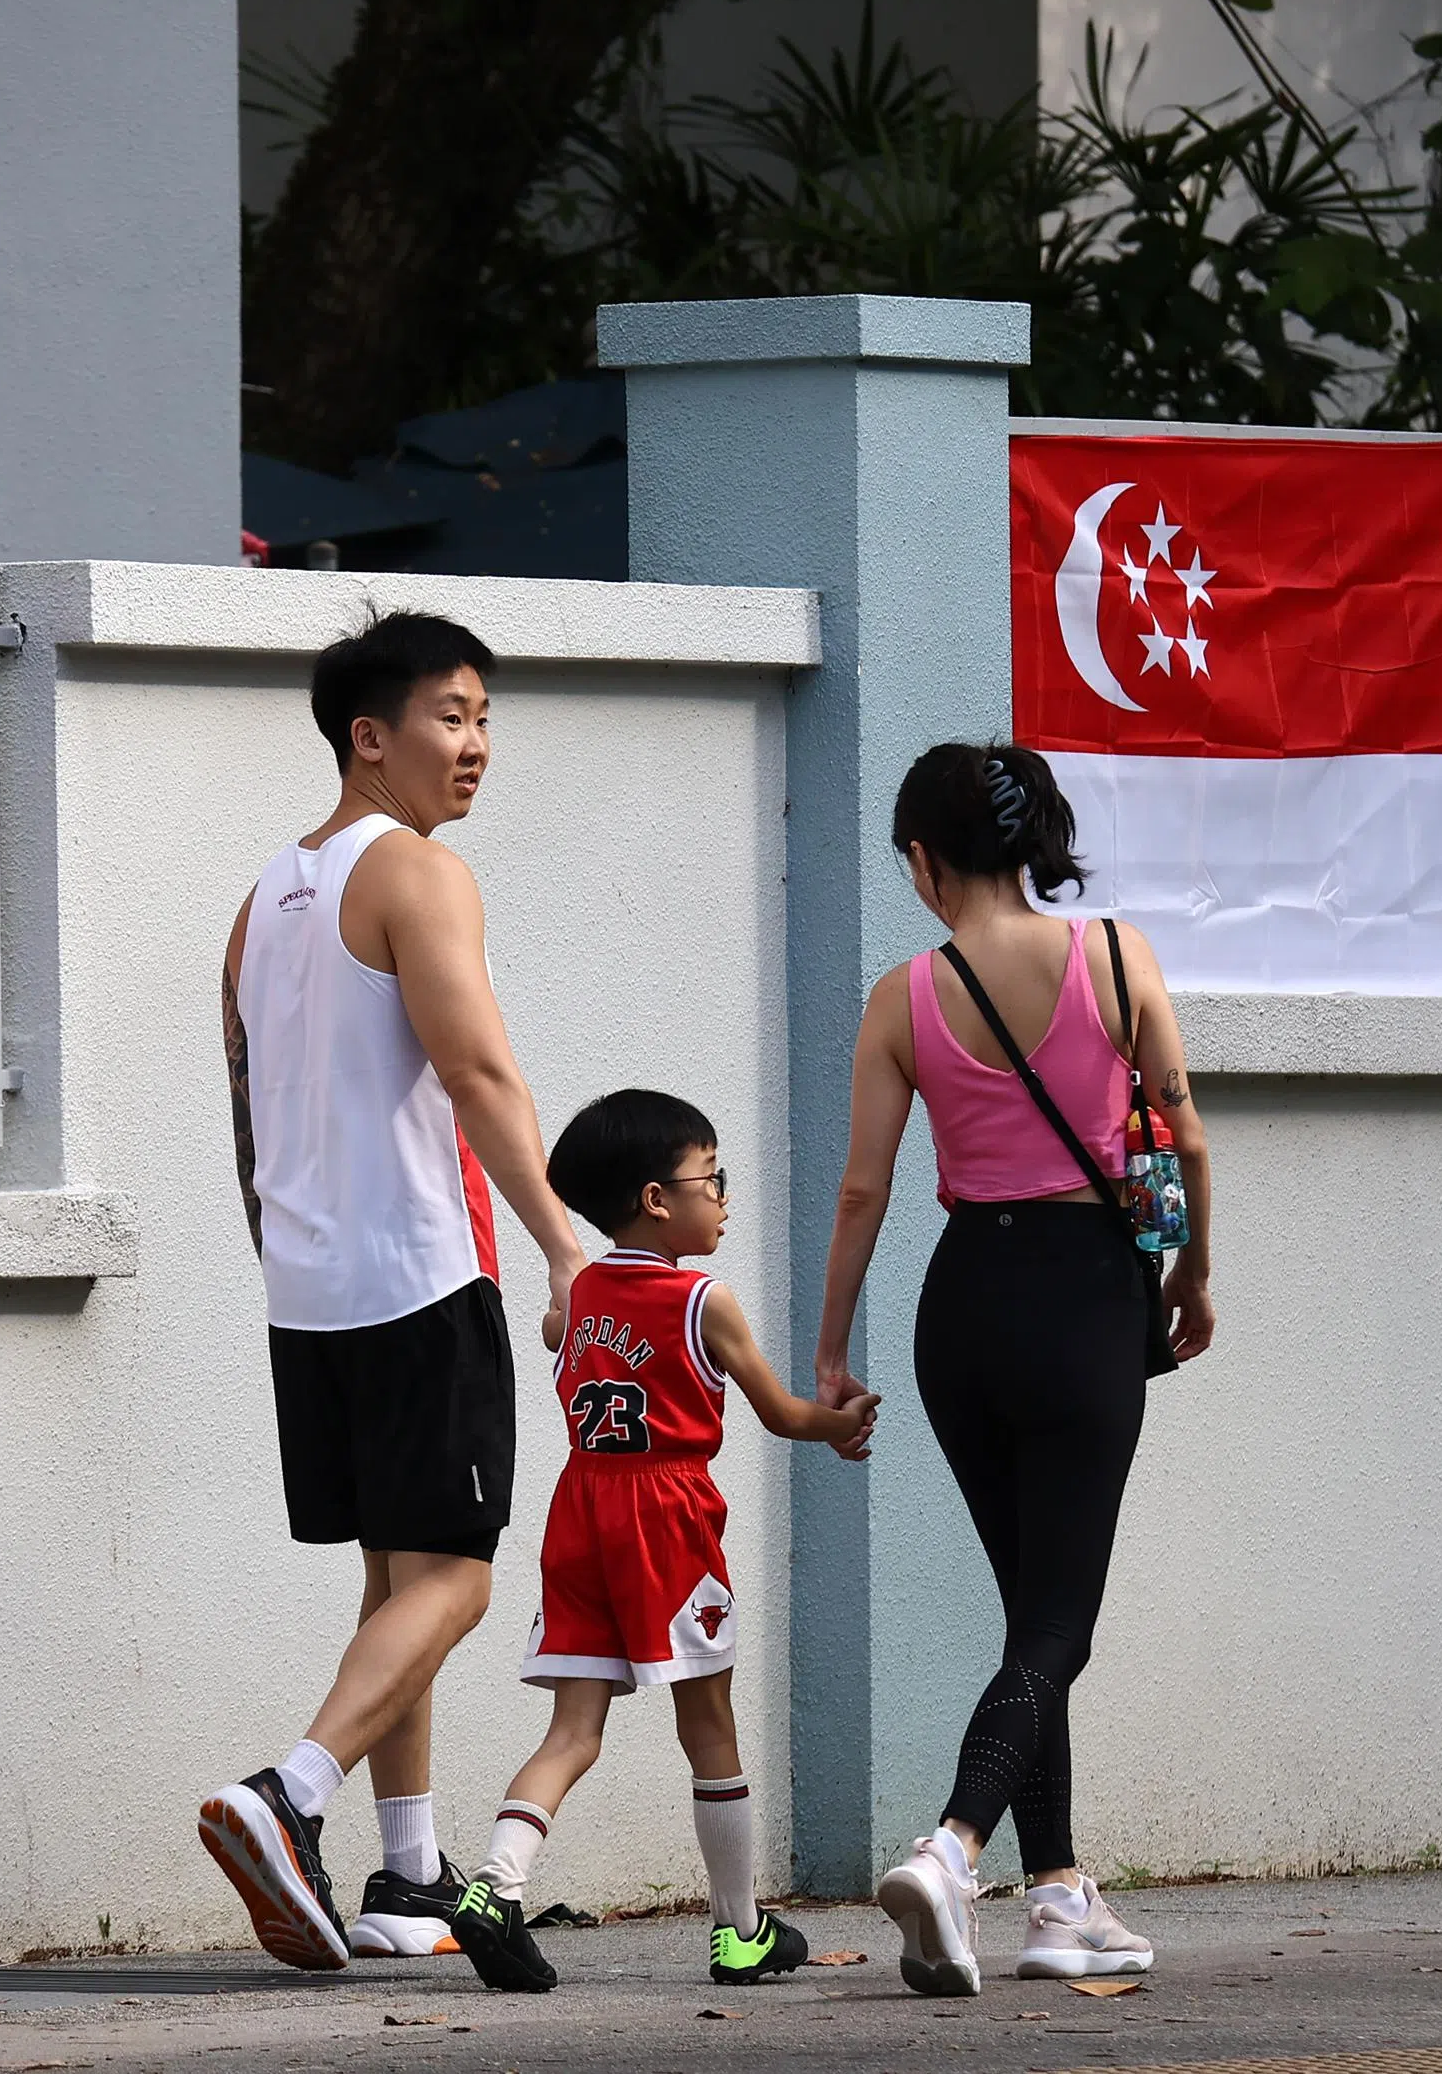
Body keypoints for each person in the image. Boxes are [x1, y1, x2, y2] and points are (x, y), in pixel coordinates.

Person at [203, 611, 592, 1971]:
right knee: (463, 1579)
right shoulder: (418, 874)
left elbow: (247, 1117)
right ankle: (287, 1793)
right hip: (424, 1272)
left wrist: (284, 1260)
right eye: (449, 714)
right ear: (370, 736)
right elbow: (480, 1073)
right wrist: (562, 1241)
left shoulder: (262, 897)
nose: (475, 743)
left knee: (395, 1579)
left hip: (308, 1289)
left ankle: (409, 1876)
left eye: (485, 714)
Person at [813, 741, 1217, 1996]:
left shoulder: (904, 996)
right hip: (1088, 1297)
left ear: (927, 861)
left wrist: (829, 1347)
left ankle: (1060, 1898)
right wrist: (1190, 1275)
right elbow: (1179, 1131)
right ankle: (952, 1849)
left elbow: (865, 1186)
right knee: (1058, 1619)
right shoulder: (1113, 955)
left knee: (1030, 1615)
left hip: (962, 1310)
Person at [447, 1089, 879, 1994]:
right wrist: (836, 1421)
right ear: (655, 1198)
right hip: (668, 1520)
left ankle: (494, 1887)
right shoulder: (703, 1300)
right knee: (709, 1726)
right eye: (710, 1176)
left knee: (572, 1728)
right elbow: (778, 1413)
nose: (722, 1194)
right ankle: (739, 1930)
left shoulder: (576, 1300)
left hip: (581, 1514)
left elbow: (567, 1346)